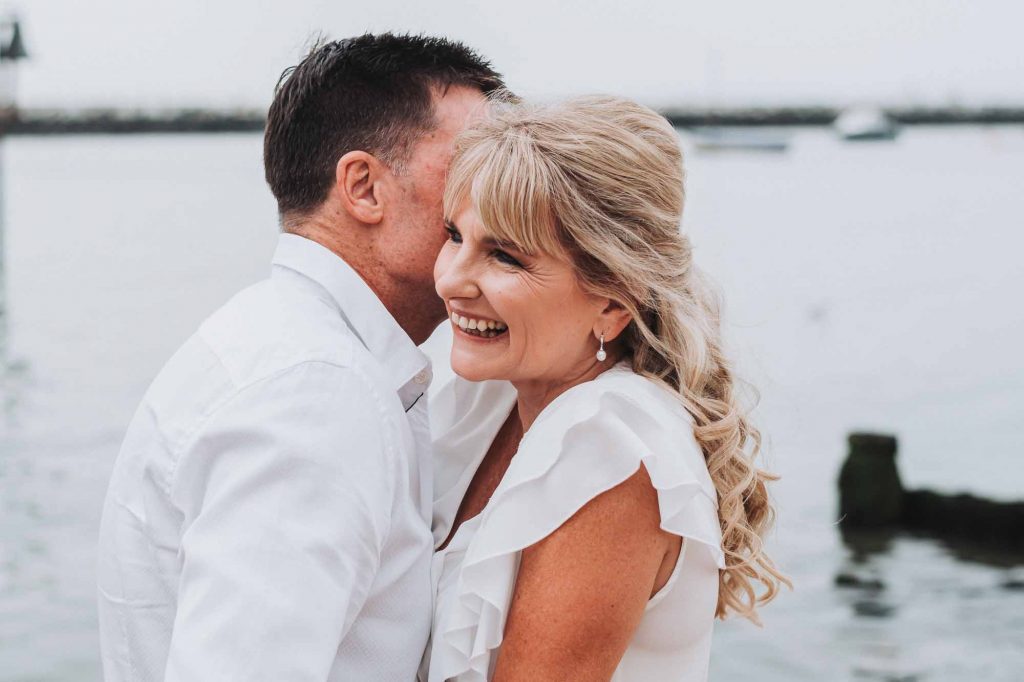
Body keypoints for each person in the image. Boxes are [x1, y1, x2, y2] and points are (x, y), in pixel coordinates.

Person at [96, 34, 506, 681]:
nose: (500, 197)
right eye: (475, 167)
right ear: (364, 187)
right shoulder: (315, 396)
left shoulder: (279, 345)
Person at [423, 96, 790, 682]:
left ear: (613, 303)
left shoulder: (609, 446)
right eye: (454, 236)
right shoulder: (485, 403)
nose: (451, 279)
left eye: (506, 257)